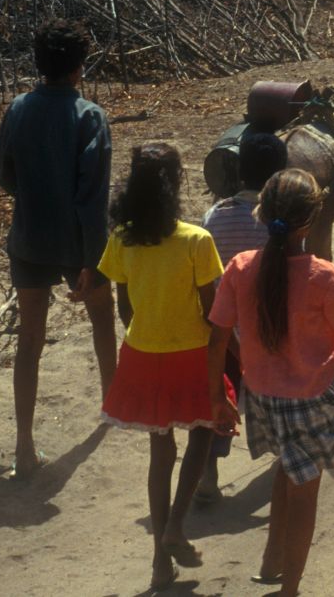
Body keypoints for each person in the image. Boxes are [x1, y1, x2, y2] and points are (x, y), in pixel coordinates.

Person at [208, 169, 334, 596]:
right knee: (306, 490)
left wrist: (219, 397)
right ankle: (289, 589)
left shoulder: (240, 268)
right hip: (311, 401)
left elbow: (217, 335)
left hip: (262, 400)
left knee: (286, 467)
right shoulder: (325, 277)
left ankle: (273, 560)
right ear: (310, 223)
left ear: (262, 213)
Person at [0, 19, 117, 477]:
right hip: (76, 243)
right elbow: (93, 196)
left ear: (40, 64)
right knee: (102, 316)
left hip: (27, 239)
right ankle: (111, 406)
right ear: (79, 68)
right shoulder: (89, 116)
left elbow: (2, 172)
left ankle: (24, 447)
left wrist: (33, 194)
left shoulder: (19, 108)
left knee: (30, 340)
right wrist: (92, 260)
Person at [98, 143, 227, 592]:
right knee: (204, 432)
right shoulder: (196, 240)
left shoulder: (121, 238)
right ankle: (175, 526)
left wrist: (148, 335)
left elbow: (124, 306)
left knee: (160, 451)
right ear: (177, 184)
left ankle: (158, 561)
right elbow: (214, 313)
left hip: (141, 355)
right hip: (189, 353)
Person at [197, 132, 289, 503]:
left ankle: (208, 473)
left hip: (223, 332)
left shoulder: (213, 216)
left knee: (223, 397)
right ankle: (286, 454)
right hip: (268, 331)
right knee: (281, 393)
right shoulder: (279, 223)